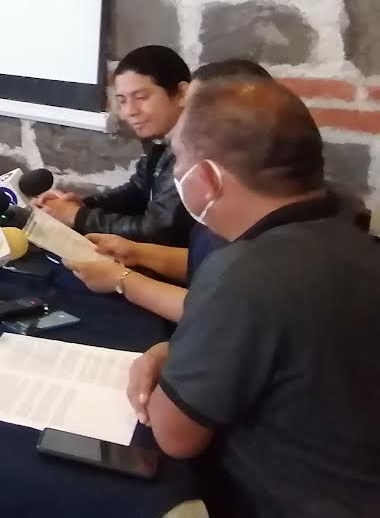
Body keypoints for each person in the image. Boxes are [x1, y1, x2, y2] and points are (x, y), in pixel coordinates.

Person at [125, 77, 380, 517]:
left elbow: (175, 436)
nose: (176, 171)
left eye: (179, 158)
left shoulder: (244, 274)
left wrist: (168, 358)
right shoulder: (349, 224)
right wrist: (177, 349)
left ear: (206, 178)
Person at [68, 58, 275, 320]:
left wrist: (123, 280)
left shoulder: (271, 237)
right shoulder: (235, 211)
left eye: (191, 113)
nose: (130, 111)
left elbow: (219, 315)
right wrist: (137, 252)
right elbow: (207, 262)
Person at [36, 45, 192, 245]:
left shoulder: (195, 150)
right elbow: (137, 191)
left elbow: (157, 231)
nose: (129, 112)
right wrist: (82, 205)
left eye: (141, 97)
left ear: (182, 93)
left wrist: (79, 216)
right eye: (122, 101)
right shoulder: (164, 142)